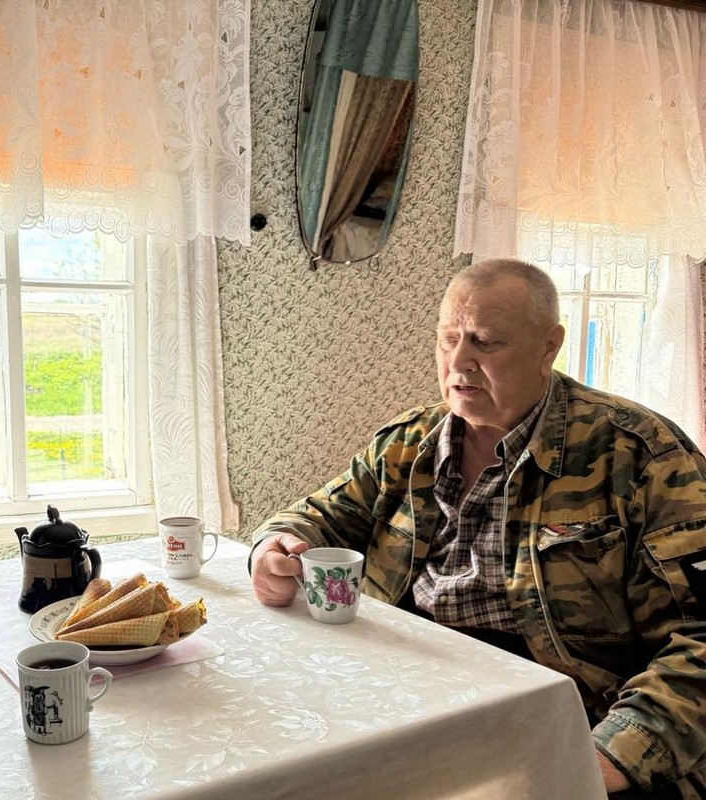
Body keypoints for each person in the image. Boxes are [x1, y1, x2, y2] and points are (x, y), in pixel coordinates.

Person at [249, 259, 706, 798]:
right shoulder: (408, 443)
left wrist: (615, 751)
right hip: (407, 689)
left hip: (564, 716)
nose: (459, 362)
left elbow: (699, 639)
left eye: (486, 342)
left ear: (549, 346)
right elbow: (321, 514)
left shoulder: (638, 454)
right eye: (448, 339)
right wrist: (274, 546)